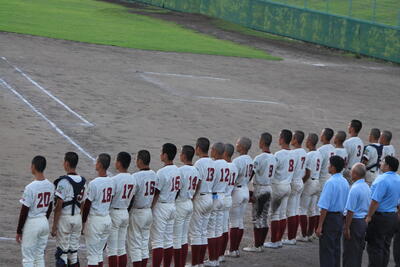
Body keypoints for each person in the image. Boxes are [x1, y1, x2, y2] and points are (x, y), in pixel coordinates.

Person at [16, 156, 54, 267]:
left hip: (32, 222)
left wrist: (19, 230)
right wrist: (43, 220)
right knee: (39, 255)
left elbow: (24, 211)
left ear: (33, 167)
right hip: (44, 222)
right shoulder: (50, 185)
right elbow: (50, 207)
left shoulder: (30, 187)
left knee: (28, 258)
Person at [51, 152, 86, 267]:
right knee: (74, 253)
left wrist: (54, 226)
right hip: (77, 219)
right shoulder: (84, 182)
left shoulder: (63, 182)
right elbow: (83, 204)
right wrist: (80, 221)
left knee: (62, 253)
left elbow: (59, 205)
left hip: (65, 219)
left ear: (66, 163)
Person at [365, 156, 400, 267]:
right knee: (385, 246)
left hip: (380, 217)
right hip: (392, 216)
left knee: (375, 247)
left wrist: (369, 216)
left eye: (382, 162)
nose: (380, 163)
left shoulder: (382, 179)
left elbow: (375, 201)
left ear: (388, 166)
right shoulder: (398, 179)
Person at [243, 132, 276, 251]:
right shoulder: (274, 157)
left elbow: (251, 173)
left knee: (257, 218)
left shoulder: (259, 158)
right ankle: (261, 244)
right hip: (269, 188)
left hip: (260, 189)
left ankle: (257, 246)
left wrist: (244, 186)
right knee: (264, 217)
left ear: (262, 142)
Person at [316, 155, 350, 267]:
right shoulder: (345, 181)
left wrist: (320, 225)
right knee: (336, 249)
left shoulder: (330, 182)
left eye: (330, 165)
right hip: (339, 217)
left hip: (330, 218)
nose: (328, 166)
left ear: (334, 167)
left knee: (327, 250)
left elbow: (324, 206)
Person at [151, 143, 180, 267]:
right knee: (168, 240)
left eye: (162, 152)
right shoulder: (177, 170)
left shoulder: (161, 172)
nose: (160, 154)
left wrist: (151, 207)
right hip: (172, 205)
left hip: (162, 207)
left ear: (165, 155)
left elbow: (156, 193)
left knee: (157, 241)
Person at [82, 153, 114, 267]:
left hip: (95, 221)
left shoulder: (94, 183)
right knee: (99, 254)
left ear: (99, 164)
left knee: (92, 257)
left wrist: (83, 222)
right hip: (106, 219)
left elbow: (87, 205)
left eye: (96, 161)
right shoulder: (111, 181)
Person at [264, 130, 295, 249]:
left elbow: (272, 170)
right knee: (282, 214)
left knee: (275, 215)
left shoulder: (278, 154)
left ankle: (274, 241)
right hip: (288, 185)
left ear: (282, 139)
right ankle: (280, 240)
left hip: (278, 186)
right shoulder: (293, 154)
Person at [127, 150, 157, 267]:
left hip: (137, 212)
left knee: (135, 246)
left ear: (140, 161)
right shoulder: (154, 174)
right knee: (144, 244)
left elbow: (132, 197)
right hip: (148, 211)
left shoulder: (135, 176)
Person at [189, 137, 214, 266]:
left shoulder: (199, 163)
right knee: (203, 232)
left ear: (198, 148)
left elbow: (197, 183)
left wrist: (192, 197)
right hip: (210, 197)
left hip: (200, 197)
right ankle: (200, 262)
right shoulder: (212, 162)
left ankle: (195, 263)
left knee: (195, 233)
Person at [173, 146, 199, 267]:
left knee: (177, 238)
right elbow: (198, 184)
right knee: (183, 237)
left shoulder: (180, 170)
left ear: (184, 155)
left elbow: (176, 189)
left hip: (181, 203)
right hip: (189, 202)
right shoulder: (195, 170)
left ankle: (179, 264)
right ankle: (182, 264)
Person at [107, 152, 134, 267]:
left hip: (115, 213)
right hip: (125, 212)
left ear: (119, 163)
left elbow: (110, 198)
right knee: (121, 248)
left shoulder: (114, 179)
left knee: (112, 249)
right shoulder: (133, 179)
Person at [228, 137, 253, 256]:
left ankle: (232, 250)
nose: (236, 145)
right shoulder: (250, 159)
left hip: (237, 191)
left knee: (233, 222)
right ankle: (236, 249)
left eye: (237, 144)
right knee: (240, 221)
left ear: (242, 147)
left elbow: (232, 178)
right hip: (245, 190)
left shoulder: (237, 161)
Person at [342, 163, 371, 267]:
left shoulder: (354, 189)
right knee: (358, 252)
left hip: (354, 222)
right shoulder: (367, 187)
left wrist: (347, 227)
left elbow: (350, 211)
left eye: (351, 171)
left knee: (350, 253)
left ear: (354, 174)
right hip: (362, 222)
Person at [205, 143, 228, 266]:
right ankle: (218, 257)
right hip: (223, 195)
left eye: (212, 150)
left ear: (215, 151)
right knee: (219, 230)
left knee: (211, 230)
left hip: (215, 196)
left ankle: (212, 259)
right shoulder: (227, 164)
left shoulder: (214, 164)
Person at [298, 133, 322, 242]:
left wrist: (302, 183)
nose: (306, 142)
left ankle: (304, 235)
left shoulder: (309, 155)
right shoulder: (319, 154)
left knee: (302, 209)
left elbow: (307, 173)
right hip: (317, 182)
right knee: (313, 210)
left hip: (310, 183)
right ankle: (310, 234)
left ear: (310, 141)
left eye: (307, 140)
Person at [285, 130, 306, 245]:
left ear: (296, 140)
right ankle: (292, 237)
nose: (291, 140)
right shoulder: (303, 152)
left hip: (293, 182)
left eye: (292, 138)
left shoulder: (294, 153)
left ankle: (291, 238)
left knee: (291, 212)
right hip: (300, 182)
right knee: (295, 210)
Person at [219, 143, 237, 262]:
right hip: (229, 197)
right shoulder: (234, 166)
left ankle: (217, 255)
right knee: (225, 227)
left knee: (218, 229)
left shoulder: (223, 166)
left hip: (222, 197)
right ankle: (221, 254)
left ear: (225, 153)